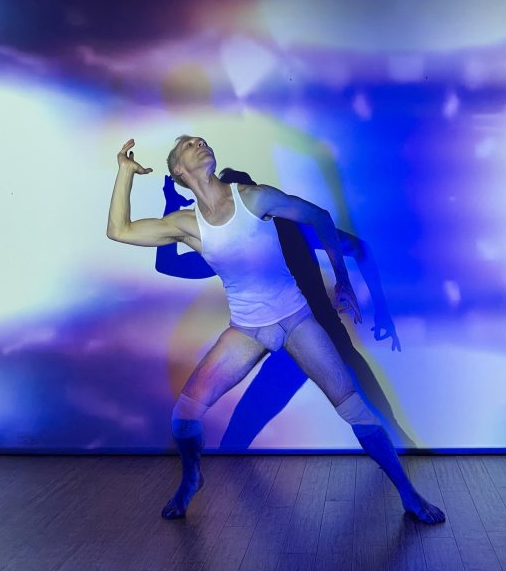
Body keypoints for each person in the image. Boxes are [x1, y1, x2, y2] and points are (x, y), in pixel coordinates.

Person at [106, 136, 445, 524]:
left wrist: (344, 281)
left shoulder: (255, 198)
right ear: (178, 171)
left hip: (297, 319)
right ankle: (192, 478)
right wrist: (125, 172)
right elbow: (119, 230)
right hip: (247, 331)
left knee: (353, 407)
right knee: (184, 414)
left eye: (201, 140)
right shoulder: (185, 225)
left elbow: (319, 216)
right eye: (187, 144)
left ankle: (408, 494)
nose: (198, 142)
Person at [155, 171, 417, 450]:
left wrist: (377, 307)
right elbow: (168, 266)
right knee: (236, 439)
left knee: (389, 426)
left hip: (321, 339)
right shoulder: (237, 245)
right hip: (293, 346)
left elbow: (358, 247)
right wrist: (381, 311)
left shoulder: (285, 229)